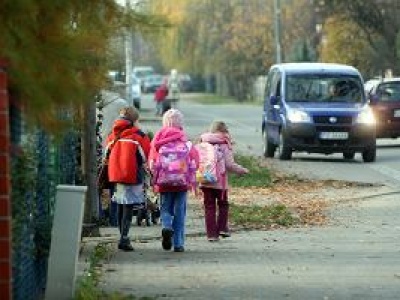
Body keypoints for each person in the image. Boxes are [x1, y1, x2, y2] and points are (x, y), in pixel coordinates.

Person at [149, 109, 199, 252]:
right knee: (180, 212)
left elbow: (152, 162)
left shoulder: (157, 141)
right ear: (180, 124)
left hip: (164, 183)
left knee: (165, 208)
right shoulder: (184, 139)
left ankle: (166, 226)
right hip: (182, 183)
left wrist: (154, 176)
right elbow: (195, 159)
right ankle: (178, 243)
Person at [106, 106, 151, 251]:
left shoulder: (113, 134)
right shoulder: (138, 135)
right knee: (129, 205)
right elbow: (145, 155)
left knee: (120, 203)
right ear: (134, 120)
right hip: (132, 174)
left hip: (115, 174)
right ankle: (124, 237)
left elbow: (106, 153)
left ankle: (122, 235)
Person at [198, 121, 249, 242]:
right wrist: (242, 170)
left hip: (205, 179)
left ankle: (211, 235)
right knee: (223, 204)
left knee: (209, 207)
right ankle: (222, 228)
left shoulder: (203, 142)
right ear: (225, 131)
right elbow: (229, 164)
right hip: (220, 182)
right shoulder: (224, 143)